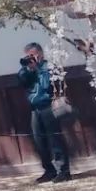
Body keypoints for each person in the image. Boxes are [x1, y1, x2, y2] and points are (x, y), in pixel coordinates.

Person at [17, 43, 71, 183]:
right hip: (34, 108)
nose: (30, 58)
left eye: (32, 55)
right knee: (39, 141)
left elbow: (47, 85)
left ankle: (63, 171)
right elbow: (21, 81)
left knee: (55, 139)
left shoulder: (48, 67)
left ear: (40, 54)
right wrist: (28, 69)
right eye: (27, 56)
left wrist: (38, 69)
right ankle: (49, 170)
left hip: (49, 106)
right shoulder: (27, 69)